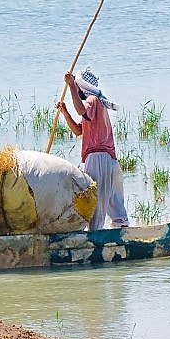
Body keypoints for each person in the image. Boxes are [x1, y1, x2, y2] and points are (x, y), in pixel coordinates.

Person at [57, 68, 130, 230]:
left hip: (97, 157)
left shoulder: (92, 100)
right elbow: (79, 131)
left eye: (77, 86)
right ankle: (121, 228)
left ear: (82, 87)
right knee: (113, 198)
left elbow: (81, 110)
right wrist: (65, 113)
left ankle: (95, 234)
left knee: (95, 198)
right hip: (109, 159)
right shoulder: (96, 104)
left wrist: (71, 86)